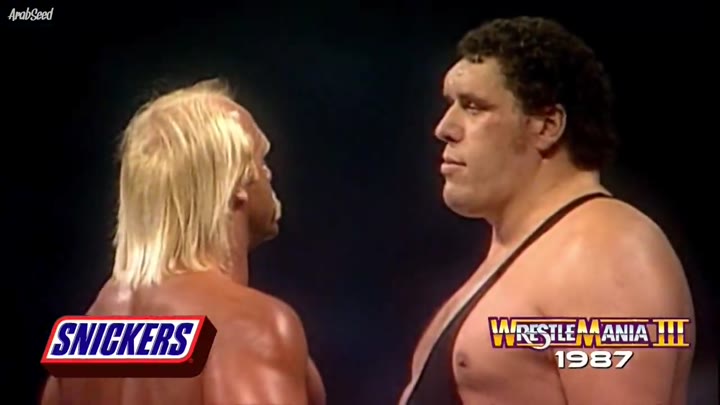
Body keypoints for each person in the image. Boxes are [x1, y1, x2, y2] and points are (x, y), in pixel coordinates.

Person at [399, 17, 695, 405]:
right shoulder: (531, 254)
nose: (444, 127)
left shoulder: (602, 253)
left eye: (473, 107)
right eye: (450, 105)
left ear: (546, 125)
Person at [41, 79, 326, 405]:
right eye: (261, 160)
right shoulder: (246, 327)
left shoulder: (81, 344)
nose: (269, 175)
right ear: (235, 180)